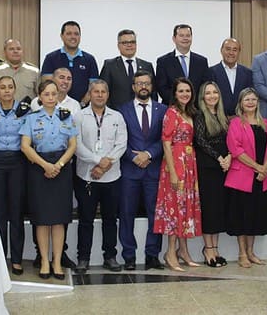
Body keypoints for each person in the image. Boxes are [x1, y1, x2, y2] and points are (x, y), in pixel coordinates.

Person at [20, 80, 78, 280]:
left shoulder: (66, 116)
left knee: (59, 219)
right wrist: (45, 165)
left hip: (62, 167)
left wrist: (58, 165)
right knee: (42, 219)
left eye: (54, 94)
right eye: (47, 94)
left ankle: (57, 261)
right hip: (39, 168)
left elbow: (72, 145)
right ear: (40, 96)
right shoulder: (31, 118)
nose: (51, 98)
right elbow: (25, 146)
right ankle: (44, 260)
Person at [73, 80, 127, 273]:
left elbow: (121, 144)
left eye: (103, 92)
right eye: (96, 91)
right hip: (86, 176)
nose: (100, 95)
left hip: (111, 177)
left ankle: (110, 257)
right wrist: (97, 161)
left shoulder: (117, 116)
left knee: (110, 219)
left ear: (108, 94)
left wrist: (105, 165)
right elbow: (77, 145)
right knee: (85, 219)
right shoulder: (79, 116)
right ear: (90, 94)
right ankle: (83, 258)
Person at [118, 70, 167, 271]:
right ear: (133, 87)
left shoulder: (163, 110)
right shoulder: (122, 110)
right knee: (126, 214)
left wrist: (148, 154)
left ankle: (152, 255)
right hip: (129, 171)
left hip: (153, 170)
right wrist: (133, 156)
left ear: (152, 86)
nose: (143, 86)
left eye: (147, 83)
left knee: (155, 214)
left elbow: (165, 139)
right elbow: (119, 140)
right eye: (139, 83)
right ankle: (129, 256)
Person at [0, 76, 31, 276]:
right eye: (2, 88)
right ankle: (1, 258)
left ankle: (17, 259)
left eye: (10, 87)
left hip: (18, 162)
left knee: (16, 211)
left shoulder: (25, 111)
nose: (7, 91)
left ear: (15, 89)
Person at [154, 77, 202, 271]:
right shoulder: (171, 113)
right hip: (175, 164)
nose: (185, 94)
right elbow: (166, 144)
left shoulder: (190, 112)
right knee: (174, 208)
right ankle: (170, 252)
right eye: (181, 91)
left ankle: (183, 250)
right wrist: (173, 173)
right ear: (174, 93)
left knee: (185, 207)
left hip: (189, 164)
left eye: (187, 91)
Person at [225, 87, 267, 268]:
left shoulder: (266, 123)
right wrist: (257, 167)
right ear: (240, 103)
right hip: (242, 178)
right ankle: (242, 253)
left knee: (255, 216)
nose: (250, 102)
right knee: (242, 216)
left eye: (253, 99)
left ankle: (251, 252)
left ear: (258, 102)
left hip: (262, 178)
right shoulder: (236, 123)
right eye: (247, 99)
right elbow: (236, 149)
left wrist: (265, 169)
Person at [193, 81, 230, 267]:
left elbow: (231, 140)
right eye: (208, 93)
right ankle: (208, 249)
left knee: (218, 210)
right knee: (208, 210)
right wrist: (219, 157)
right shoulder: (199, 116)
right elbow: (200, 141)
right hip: (207, 169)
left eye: (215, 92)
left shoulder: (223, 116)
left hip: (222, 169)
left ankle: (215, 248)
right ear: (202, 97)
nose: (212, 96)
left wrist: (229, 157)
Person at [40, 20, 99, 106]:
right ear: (61, 36)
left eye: (76, 34)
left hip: (82, 108)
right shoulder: (51, 58)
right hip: (55, 107)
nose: (73, 37)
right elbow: (47, 85)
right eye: (69, 34)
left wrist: (81, 105)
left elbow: (93, 87)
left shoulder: (90, 59)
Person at [99, 29, 156, 110]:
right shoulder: (109, 65)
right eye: (125, 43)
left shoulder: (147, 66)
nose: (129, 45)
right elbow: (103, 91)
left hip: (142, 112)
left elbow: (153, 92)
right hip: (117, 112)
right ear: (118, 45)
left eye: (132, 42)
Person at [156, 24, 209, 104]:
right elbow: (162, 88)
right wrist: (180, 104)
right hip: (172, 107)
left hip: (196, 108)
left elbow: (204, 87)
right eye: (181, 35)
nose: (185, 38)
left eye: (188, 35)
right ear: (174, 39)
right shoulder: (163, 61)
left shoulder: (201, 61)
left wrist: (191, 104)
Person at [0, 39, 40, 106]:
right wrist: (4, 106)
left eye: (18, 49)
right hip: (1, 111)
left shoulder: (34, 71)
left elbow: (41, 95)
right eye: (11, 49)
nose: (15, 51)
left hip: (28, 111)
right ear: (5, 52)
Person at [207, 38, 253, 117]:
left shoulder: (247, 73)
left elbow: (249, 96)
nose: (231, 53)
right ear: (221, 50)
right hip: (218, 118)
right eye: (228, 49)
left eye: (235, 50)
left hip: (241, 118)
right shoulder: (211, 72)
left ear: (239, 52)